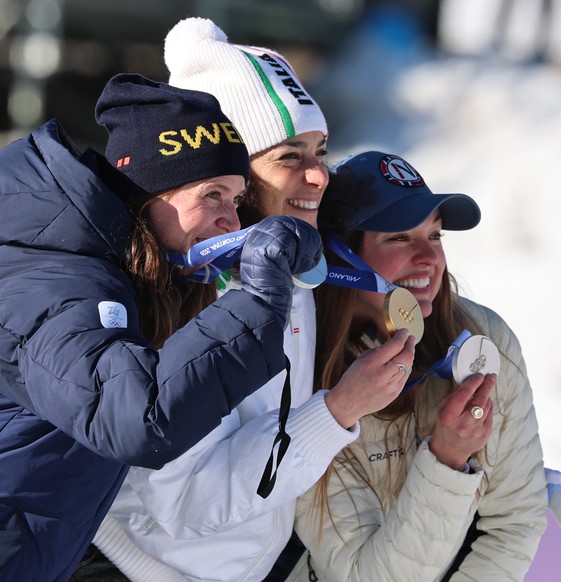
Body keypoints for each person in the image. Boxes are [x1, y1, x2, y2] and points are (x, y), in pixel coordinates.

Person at [90, 18, 416, 582]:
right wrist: (340, 408)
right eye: (290, 156)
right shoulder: (176, 294)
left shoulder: (289, 260)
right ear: (229, 168)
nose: (319, 176)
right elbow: (191, 502)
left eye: (321, 151)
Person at [0, 72, 324, 581]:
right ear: (147, 195)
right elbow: (137, 420)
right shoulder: (59, 284)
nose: (232, 225)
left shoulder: (118, 272)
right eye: (212, 195)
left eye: (237, 201)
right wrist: (260, 299)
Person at [288, 151, 548, 580]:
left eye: (436, 236)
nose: (430, 259)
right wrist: (447, 460)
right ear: (340, 259)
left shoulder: (487, 337)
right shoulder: (303, 371)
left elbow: (516, 522)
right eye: (398, 238)